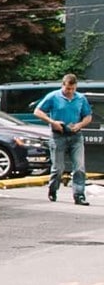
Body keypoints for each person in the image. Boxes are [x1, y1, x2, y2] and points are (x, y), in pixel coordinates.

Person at [33, 74, 94, 206]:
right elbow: (37, 111)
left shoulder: (81, 98)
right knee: (58, 168)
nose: (70, 92)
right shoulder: (53, 96)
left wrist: (80, 125)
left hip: (75, 135)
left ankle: (79, 195)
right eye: (67, 89)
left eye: (72, 89)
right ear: (63, 85)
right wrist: (52, 122)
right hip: (58, 135)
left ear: (75, 87)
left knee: (79, 166)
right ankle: (53, 188)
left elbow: (88, 116)